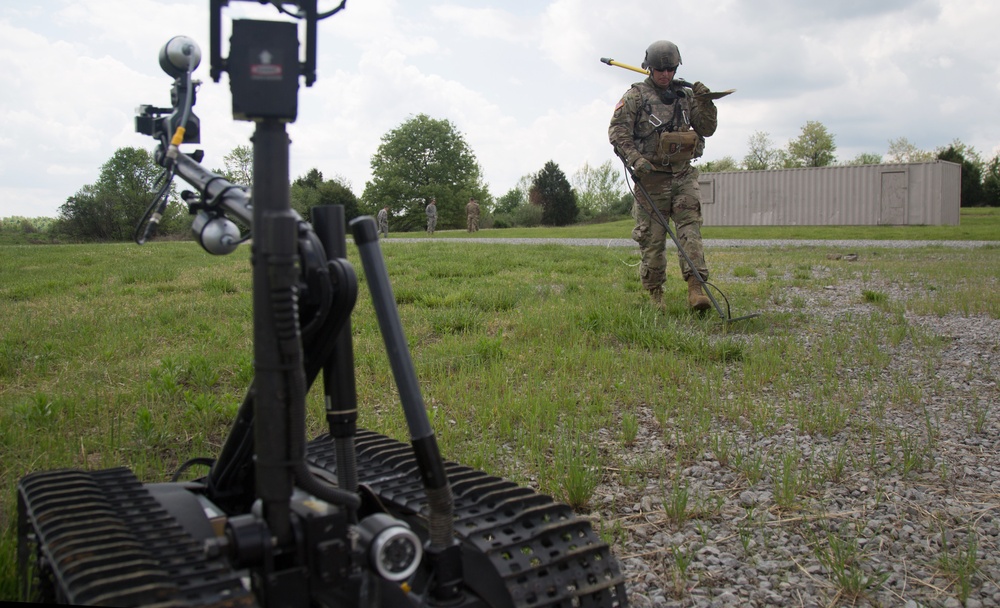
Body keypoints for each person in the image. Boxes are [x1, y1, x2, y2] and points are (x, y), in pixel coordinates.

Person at [608, 40, 717, 311]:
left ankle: (696, 289)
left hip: (682, 175)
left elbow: (707, 128)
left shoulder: (685, 95)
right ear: (648, 68)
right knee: (652, 241)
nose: (665, 75)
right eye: (660, 70)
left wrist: (706, 103)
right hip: (651, 180)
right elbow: (617, 131)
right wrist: (636, 159)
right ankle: (656, 296)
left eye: (670, 69)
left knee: (690, 230)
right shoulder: (635, 97)